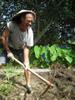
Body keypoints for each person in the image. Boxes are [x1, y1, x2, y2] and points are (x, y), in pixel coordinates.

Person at [2, 10, 36, 94]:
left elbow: (27, 48)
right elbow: (4, 38)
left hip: (21, 49)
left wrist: (26, 61)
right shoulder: (12, 25)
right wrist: (8, 51)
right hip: (9, 47)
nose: (30, 23)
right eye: (28, 21)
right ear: (22, 18)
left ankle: (28, 84)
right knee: (0, 62)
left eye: (32, 21)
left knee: (27, 67)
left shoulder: (30, 32)